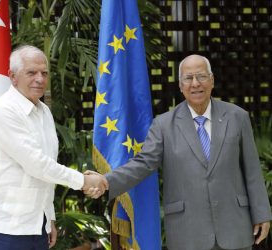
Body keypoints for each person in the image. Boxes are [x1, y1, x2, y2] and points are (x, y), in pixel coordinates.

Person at [86, 55, 271, 250]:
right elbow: (143, 163)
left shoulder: (237, 117)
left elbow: (252, 170)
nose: (195, 83)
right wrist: (107, 180)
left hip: (234, 229)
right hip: (187, 233)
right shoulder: (163, 125)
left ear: (212, 80)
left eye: (201, 76)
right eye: (188, 78)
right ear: (180, 85)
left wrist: (262, 214)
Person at [0, 45, 108, 250]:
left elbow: (47, 167)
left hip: (35, 226)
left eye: (44, 73)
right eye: (31, 72)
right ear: (12, 76)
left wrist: (48, 218)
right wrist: (83, 181)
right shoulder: (3, 111)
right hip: (1, 228)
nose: (40, 79)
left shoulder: (44, 111)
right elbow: (37, 164)